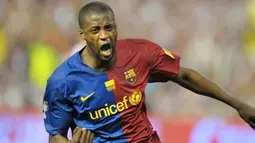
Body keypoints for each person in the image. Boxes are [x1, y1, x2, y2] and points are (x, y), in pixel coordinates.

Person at [43, 1, 255, 143]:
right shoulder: (62, 81)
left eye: (109, 27)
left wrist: (237, 104)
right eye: (95, 30)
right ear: (83, 34)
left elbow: (184, 76)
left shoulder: (140, 53)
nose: (104, 35)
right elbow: (55, 135)